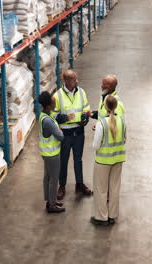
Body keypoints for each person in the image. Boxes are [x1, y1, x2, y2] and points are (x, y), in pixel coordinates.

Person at [53, 69, 92, 200]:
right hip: (65, 133)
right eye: (75, 79)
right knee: (63, 160)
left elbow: (86, 108)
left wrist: (86, 119)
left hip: (79, 132)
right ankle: (62, 186)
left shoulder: (81, 92)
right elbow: (53, 115)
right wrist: (65, 118)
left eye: (76, 78)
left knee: (78, 159)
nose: (77, 81)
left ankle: (79, 184)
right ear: (67, 81)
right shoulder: (57, 95)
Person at [91, 95, 126, 226]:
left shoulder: (101, 123)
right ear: (116, 106)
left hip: (103, 161)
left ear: (105, 107)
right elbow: (124, 139)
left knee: (101, 189)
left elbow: (96, 145)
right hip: (118, 159)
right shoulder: (122, 120)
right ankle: (112, 216)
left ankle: (101, 217)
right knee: (114, 188)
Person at [38, 91, 65, 213]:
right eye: (53, 101)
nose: (55, 102)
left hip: (47, 154)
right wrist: (60, 129)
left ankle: (50, 200)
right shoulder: (48, 121)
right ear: (49, 105)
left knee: (47, 178)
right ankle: (52, 205)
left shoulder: (44, 115)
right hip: (52, 155)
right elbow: (60, 136)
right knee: (54, 179)